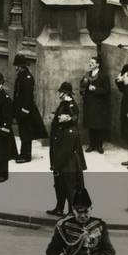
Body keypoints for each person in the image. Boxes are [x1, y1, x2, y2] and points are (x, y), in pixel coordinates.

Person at [47, 81, 87, 217]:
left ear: (66, 93)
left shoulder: (71, 107)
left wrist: (56, 164)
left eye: (61, 92)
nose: (59, 94)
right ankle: (59, 208)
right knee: (59, 184)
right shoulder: (64, 104)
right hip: (58, 152)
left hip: (67, 159)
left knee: (69, 185)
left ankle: (72, 211)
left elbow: (74, 117)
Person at [12, 54, 47, 163]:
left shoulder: (27, 78)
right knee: (23, 133)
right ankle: (23, 153)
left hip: (25, 111)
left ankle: (26, 156)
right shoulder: (22, 75)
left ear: (20, 66)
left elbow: (28, 97)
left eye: (17, 65)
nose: (16, 68)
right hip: (20, 109)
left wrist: (24, 110)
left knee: (26, 133)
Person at [79, 53, 110, 153]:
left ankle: (99, 146)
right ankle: (91, 145)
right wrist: (83, 85)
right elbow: (82, 87)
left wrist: (95, 89)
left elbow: (107, 90)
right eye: (90, 62)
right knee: (91, 125)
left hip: (99, 105)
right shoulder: (87, 74)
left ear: (98, 64)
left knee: (99, 126)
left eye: (92, 63)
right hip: (89, 104)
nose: (90, 64)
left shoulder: (104, 76)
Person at [115, 63, 128, 165]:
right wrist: (119, 80)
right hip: (125, 109)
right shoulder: (126, 67)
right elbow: (121, 88)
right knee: (126, 132)